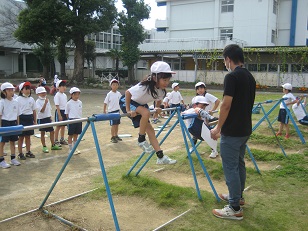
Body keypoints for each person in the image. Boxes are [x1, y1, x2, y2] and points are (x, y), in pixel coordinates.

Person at [210, 44, 256, 220]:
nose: (225, 63)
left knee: (231, 168)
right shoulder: (250, 77)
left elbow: (226, 104)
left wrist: (217, 128)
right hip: (245, 129)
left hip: (233, 131)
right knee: (239, 164)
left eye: (224, 60)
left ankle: (234, 207)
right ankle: (238, 197)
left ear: (228, 59)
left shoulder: (232, 77)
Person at [119, 61, 177, 165]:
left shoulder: (161, 90)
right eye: (164, 80)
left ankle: (160, 157)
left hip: (141, 104)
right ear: (155, 77)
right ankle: (141, 139)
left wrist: (157, 108)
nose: (166, 82)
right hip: (127, 101)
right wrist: (128, 110)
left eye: (168, 80)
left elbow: (158, 99)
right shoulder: (144, 86)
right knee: (145, 112)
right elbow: (127, 93)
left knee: (151, 131)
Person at [0, 82, 21, 168]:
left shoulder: (15, 102)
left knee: (13, 141)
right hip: (5, 122)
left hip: (13, 123)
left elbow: (17, 115)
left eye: (12, 90)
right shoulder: (2, 102)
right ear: (4, 92)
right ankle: (1, 160)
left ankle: (13, 158)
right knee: (2, 142)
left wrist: (18, 125)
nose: (11, 92)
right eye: (9, 90)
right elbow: (0, 115)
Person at [36, 87, 62, 153]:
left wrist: (50, 116)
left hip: (47, 118)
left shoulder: (47, 100)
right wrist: (45, 103)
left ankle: (53, 145)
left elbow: (49, 109)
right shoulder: (38, 101)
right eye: (42, 93)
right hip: (41, 119)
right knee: (42, 133)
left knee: (52, 131)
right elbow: (41, 110)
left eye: (44, 93)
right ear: (38, 94)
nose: (43, 94)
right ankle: (44, 146)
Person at [16, 82, 37, 159]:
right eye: (26, 89)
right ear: (21, 90)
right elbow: (16, 112)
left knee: (28, 136)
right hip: (21, 118)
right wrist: (17, 122)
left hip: (29, 118)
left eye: (29, 89)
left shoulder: (31, 99)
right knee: (21, 137)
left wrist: (35, 121)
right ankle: (20, 153)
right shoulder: (17, 99)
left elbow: (34, 111)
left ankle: (28, 151)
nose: (28, 90)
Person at [104, 79, 122, 143]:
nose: (115, 86)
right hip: (111, 111)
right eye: (113, 85)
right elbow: (105, 102)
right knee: (113, 125)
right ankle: (112, 136)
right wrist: (104, 110)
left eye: (116, 85)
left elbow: (121, 101)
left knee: (117, 124)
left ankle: (116, 135)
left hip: (117, 111)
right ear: (111, 86)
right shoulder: (109, 94)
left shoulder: (118, 93)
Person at [65, 87, 82, 155]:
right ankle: (70, 148)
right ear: (72, 95)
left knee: (76, 135)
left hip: (79, 120)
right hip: (72, 120)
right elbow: (66, 113)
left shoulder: (80, 102)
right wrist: (70, 120)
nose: (77, 96)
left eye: (78, 94)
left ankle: (75, 147)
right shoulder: (69, 103)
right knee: (70, 135)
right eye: (75, 94)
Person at [54, 80, 68, 146]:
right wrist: (59, 115)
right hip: (59, 111)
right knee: (58, 126)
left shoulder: (64, 95)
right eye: (62, 86)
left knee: (63, 126)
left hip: (64, 111)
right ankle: (56, 140)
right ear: (58, 87)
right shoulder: (57, 95)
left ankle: (62, 139)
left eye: (65, 86)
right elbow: (57, 105)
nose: (64, 87)